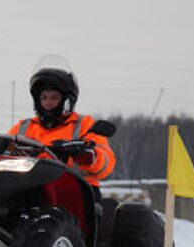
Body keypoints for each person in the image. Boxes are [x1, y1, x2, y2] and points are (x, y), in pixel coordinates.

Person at [8, 56, 115, 200]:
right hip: (30, 188)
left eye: (54, 97)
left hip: (76, 191)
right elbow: (3, 146)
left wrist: (88, 154)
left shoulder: (84, 125)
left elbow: (106, 164)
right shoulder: (23, 127)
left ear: (66, 100)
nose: (48, 102)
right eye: (43, 97)